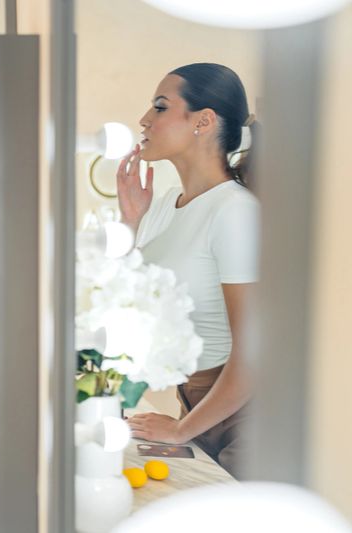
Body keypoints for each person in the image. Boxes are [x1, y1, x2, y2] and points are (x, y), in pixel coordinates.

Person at [119, 63, 260, 477]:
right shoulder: (162, 205)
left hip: (246, 419)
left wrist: (182, 430)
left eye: (160, 107)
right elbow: (123, 305)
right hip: (195, 402)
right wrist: (129, 221)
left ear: (203, 121)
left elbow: (254, 356)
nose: (145, 119)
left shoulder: (235, 213)